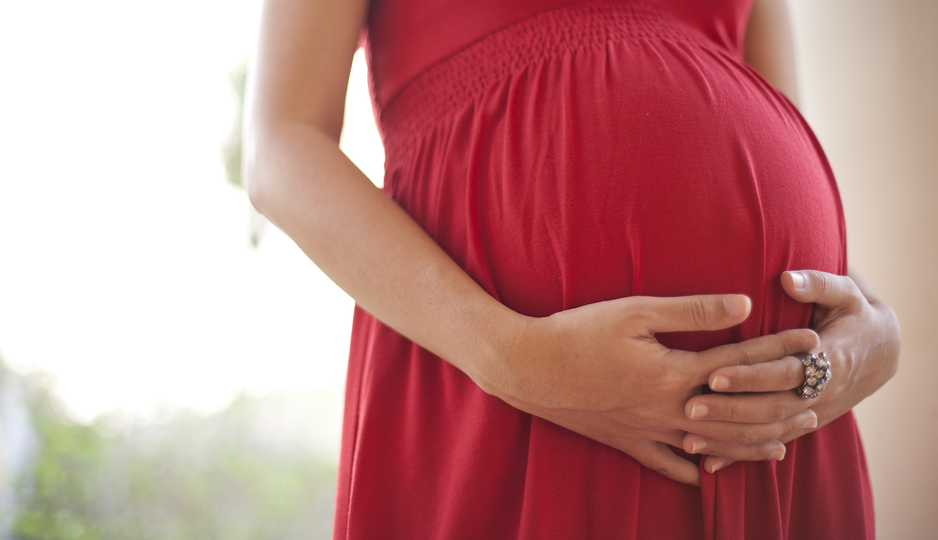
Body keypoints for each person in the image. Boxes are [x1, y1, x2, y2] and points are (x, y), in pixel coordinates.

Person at [243, 0, 900, 538]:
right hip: (507, 398)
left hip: (774, 432)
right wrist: (513, 357)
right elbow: (282, 145)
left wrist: (868, 328)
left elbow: (771, 120)